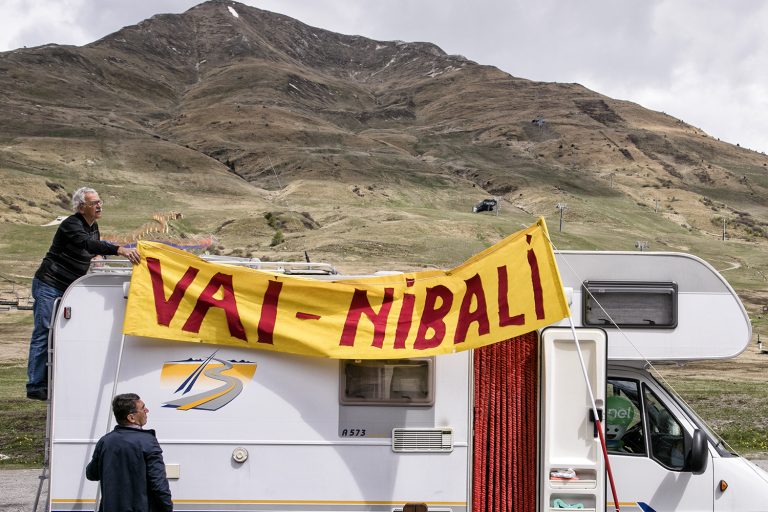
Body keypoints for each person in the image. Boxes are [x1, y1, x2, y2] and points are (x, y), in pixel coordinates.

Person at [26, 187, 140, 400]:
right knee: (44, 331)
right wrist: (119, 250)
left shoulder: (92, 226)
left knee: (59, 333)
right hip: (50, 284)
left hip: (68, 287)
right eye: (94, 203)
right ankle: (35, 385)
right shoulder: (71, 224)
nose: (99, 205)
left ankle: (52, 380)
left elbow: (91, 247)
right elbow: (85, 243)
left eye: (100, 201)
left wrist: (98, 257)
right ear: (81, 207)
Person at [86, 393, 173, 512]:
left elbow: (91, 474)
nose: (147, 410)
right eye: (143, 408)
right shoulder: (148, 442)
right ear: (131, 417)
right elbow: (159, 484)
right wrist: (167, 507)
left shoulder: (105, 441)